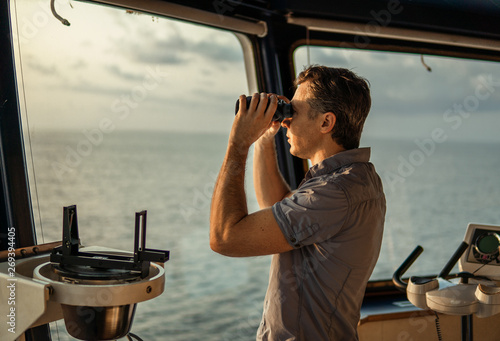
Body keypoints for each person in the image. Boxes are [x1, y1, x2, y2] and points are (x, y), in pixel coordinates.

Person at [209, 65, 386, 340]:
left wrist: (238, 143)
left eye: (294, 111)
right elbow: (277, 205)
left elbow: (225, 237)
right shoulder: (353, 178)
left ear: (326, 123)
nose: (287, 120)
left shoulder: (334, 191)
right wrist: (264, 139)